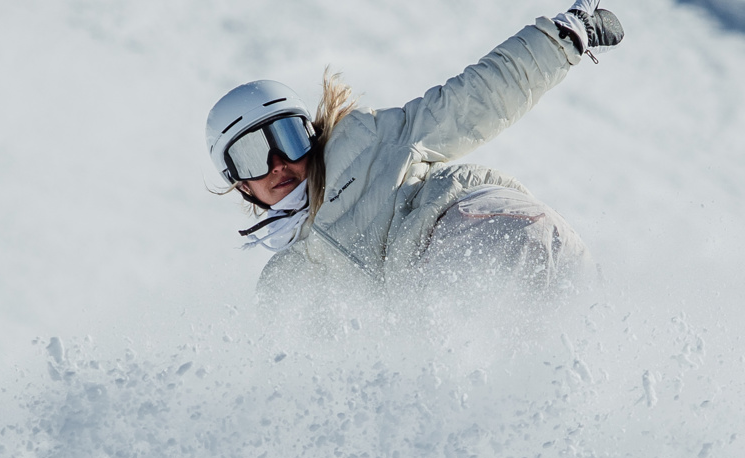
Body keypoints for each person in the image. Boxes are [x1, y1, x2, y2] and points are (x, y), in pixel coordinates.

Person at [204, 2, 625, 309]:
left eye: (286, 137)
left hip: (480, 232)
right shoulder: (285, 286)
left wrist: (561, 39)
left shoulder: (364, 141)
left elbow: (469, 101)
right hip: (541, 264)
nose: (278, 162)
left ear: (309, 134)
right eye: (252, 155)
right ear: (239, 184)